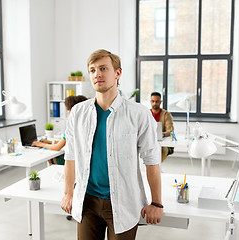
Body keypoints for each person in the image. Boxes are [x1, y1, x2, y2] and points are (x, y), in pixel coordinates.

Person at [61, 49, 163, 239]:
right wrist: (68, 193)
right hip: (87, 201)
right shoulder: (77, 112)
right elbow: (71, 156)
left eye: (103, 68)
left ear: (118, 73)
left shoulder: (138, 114)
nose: (97, 74)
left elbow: (151, 159)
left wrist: (156, 203)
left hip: (124, 201)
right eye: (92, 70)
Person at [31, 95, 88, 165]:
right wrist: (49, 142)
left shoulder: (72, 126)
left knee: (52, 157)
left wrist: (41, 144)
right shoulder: (86, 124)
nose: (68, 112)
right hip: (84, 159)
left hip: (75, 161)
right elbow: (66, 141)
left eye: (68, 109)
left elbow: (57, 147)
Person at [150, 92, 174, 162]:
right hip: (149, 140)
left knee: (161, 151)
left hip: (161, 142)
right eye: (153, 101)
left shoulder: (166, 114)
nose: (154, 103)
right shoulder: (147, 113)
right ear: (150, 102)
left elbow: (170, 130)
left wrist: (161, 135)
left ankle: (157, 169)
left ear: (160, 102)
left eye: (157, 101)